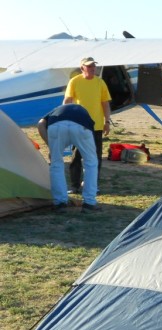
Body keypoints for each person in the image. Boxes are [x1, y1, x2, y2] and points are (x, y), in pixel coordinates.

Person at [37, 104, 102, 213]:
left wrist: (51, 147)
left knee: (56, 164)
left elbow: (40, 124)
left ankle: (60, 203)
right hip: (82, 126)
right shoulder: (83, 111)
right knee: (91, 163)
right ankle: (89, 203)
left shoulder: (55, 111)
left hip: (56, 127)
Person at [64, 56, 112, 193]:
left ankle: (92, 185)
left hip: (96, 126)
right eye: (89, 66)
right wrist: (65, 118)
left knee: (95, 157)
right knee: (76, 157)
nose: (92, 69)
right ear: (82, 68)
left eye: (93, 66)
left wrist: (107, 122)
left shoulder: (100, 83)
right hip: (79, 125)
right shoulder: (74, 82)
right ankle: (75, 185)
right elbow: (67, 101)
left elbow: (105, 104)